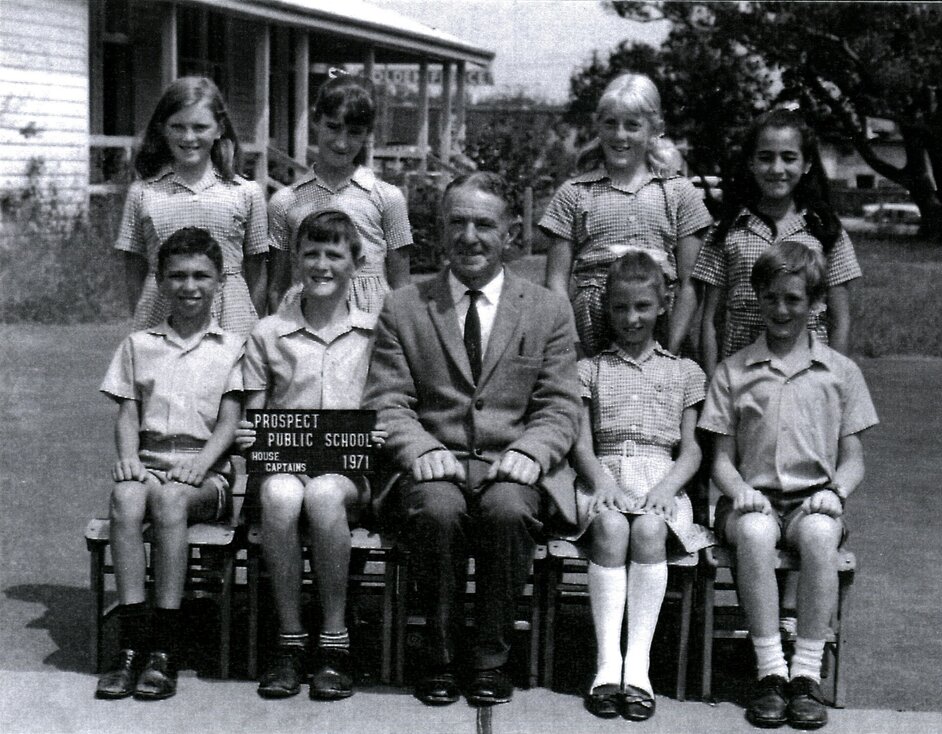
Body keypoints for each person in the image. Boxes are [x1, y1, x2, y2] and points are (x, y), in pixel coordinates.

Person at [363, 171, 581, 707]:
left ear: (510, 234)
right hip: (434, 466)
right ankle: (437, 655)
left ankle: (490, 658)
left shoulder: (548, 309)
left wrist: (532, 451)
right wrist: (419, 449)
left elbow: (560, 404)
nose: (470, 236)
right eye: (457, 223)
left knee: (509, 510)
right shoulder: (404, 306)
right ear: (439, 232)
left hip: (512, 465)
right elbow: (386, 400)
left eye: (484, 224)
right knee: (437, 511)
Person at [698, 241, 878, 729]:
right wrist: (739, 492)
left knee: (821, 535)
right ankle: (770, 672)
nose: (781, 309)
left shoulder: (840, 373)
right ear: (757, 296)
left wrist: (835, 493)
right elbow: (720, 460)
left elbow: (854, 459)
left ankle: (805, 674)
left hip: (811, 499)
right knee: (755, 534)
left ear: (815, 303)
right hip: (750, 500)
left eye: (794, 300)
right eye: (772, 297)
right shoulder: (733, 371)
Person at [95, 227, 244, 701]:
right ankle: (132, 642)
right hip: (152, 463)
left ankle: (165, 644)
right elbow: (127, 413)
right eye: (177, 276)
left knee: (171, 499)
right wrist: (127, 461)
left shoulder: (232, 347)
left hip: (206, 476)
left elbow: (230, 419)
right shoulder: (140, 345)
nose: (189, 286)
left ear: (220, 281)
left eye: (201, 275)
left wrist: (202, 463)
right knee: (126, 496)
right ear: (160, 280)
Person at [237, 207, 379, 701]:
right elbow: (254, 411)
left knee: (322, 495)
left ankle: (335, 639)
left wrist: (377, 432)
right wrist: (248, 435)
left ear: (356, 263)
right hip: (284, 464)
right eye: (311, 253)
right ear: (296, 259)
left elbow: (386, 406)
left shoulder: (373, 333)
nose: (322, 264)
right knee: (278, 494)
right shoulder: (268, 333)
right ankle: (290, 639)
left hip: (347, 472)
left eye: (334, 254)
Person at [571, 252, 714, 721]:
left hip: (661, 478)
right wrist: (601, 481)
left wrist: (667, 490)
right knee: (612, 529)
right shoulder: (590, 370)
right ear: (606, 309)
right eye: (620, 308)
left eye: (642, 307)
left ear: (662, 305)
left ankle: (639, 667)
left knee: (651, 531)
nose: (631, 319)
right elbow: (581, 444)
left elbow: (691, 450)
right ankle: (606, 665)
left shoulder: (684, 371)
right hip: (604, 476)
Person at [539, 72, 713, 357]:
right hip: (592, 327)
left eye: (632, 125)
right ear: (598, 126)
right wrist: (574, 347)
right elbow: (556, 282)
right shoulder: (575, 192)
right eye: (611, 124)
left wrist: (672, 347)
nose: (620, 135)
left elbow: (690, 282)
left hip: (659, 324)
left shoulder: (679, 192)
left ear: (654, 129)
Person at [694, 107, 862, 372]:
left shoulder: (826, 232)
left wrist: (835, 382)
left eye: (788, 158)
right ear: (750, 162)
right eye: (765, 157)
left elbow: (840, 319)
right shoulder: (727, 232)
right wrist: (713, 383)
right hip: (743, 377)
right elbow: (711, 320)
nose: (777, 168)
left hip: (808, 376)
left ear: (806, 164)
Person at [115, 76, 268, 338]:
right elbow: (134, 271)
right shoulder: (143, 193)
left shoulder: (246, 193)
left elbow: (257, 271)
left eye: (200, 127)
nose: (188, 137)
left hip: (231, 319)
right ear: (163, 128)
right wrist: (145, 320)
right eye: (178, 126)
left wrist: (249, 323)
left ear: (219, 128)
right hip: (162, 314)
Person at [267, 72, 412, 314]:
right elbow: (277, 289)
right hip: (305, 321)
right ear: (316, 121)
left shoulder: (388, 198)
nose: (342, 143)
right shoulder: (285, 201)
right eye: (333, 127)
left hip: (371, 322)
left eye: (354, 132)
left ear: (367, 133)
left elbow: (402, 287)